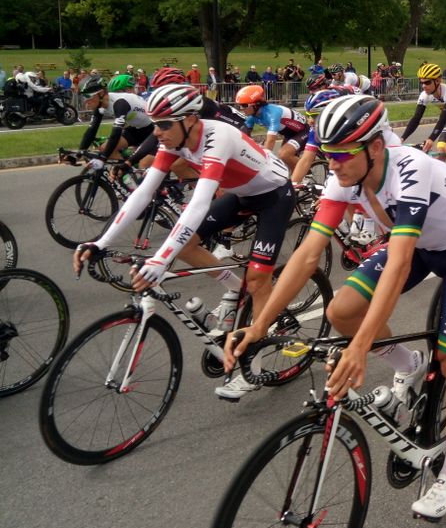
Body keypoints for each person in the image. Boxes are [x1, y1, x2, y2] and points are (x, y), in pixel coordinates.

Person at [225, 95, 446, 519]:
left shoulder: (410, 169)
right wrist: (259, 327)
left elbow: (399, 264)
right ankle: (409, 364)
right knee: (341, 312)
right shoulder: (345, 177)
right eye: (328, 154)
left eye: (341, 154)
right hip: (418, 244)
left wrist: (361, 347)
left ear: (375, 147)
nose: (332, 164)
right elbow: (308, 254)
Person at [73, 84, 295, 398]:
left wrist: (160, 259)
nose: (157, 132)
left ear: (190, 119)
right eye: (154, 124)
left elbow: (199, 203)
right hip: (243, 194)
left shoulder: (217, 136)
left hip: (274, 195)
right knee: (188, 247)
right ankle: (237, 289)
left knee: (258, 280)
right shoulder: (174, 140)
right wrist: (101, 242)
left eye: (164, 124)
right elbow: (143, 193)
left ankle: (253, 368)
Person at [77, 74, 154, 166]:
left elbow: (116, 133)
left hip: (153, 129)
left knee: (143, 164)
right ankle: (126, 169)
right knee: (104, 149)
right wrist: (78, 154)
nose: (85, 101)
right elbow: (91, 130)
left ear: (101, 93)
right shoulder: (100, 107)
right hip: (136, 129)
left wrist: (102, 159)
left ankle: (132, 165)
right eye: (83, 97)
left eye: (88, 96)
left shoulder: (120, 103)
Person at [235, 84, 309, 171]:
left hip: (303, 131)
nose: (241, 109)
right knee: (284, 162)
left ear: (256, 104)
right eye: (239, 105)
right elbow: (244, 135)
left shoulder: (272, 113)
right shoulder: (252, 116)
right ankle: (297, 177)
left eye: (244, 105)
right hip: (289, 134)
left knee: (284, 154)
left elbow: (270, 141)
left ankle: (307, 174)